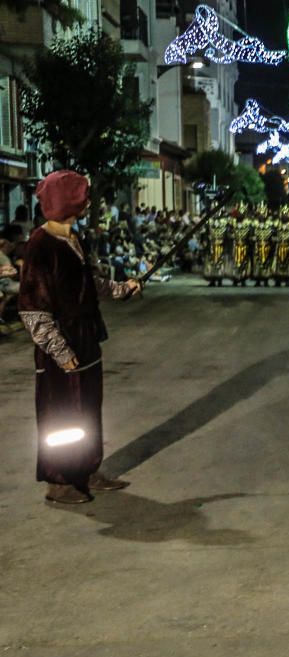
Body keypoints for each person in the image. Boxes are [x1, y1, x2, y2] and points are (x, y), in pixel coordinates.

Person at [18, 170, 141, 505]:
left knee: (87, 410)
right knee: (61, 416)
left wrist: (122, 289)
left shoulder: (74, 238)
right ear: (66, 200)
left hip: (86, 339)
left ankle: (86, 469)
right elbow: (32, 307)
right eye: (81, 194)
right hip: (61, 346)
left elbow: (91, 283)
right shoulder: (40, 245)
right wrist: (59, 350)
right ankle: (59, 481)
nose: (87, 200)